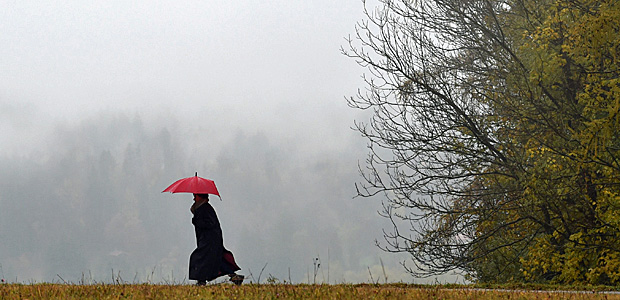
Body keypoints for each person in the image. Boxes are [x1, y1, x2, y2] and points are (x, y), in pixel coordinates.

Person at [189, 193, 244, 286]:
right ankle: (234, 277)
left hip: (209, 241)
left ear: (201, 197)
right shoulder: (203, 208)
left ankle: (201, 281)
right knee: (216, 261)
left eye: (195, 196)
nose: (194, 198)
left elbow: (209, 224)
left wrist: (196, 221)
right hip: (209, 241)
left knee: (199, 259)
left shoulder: (205, 209)